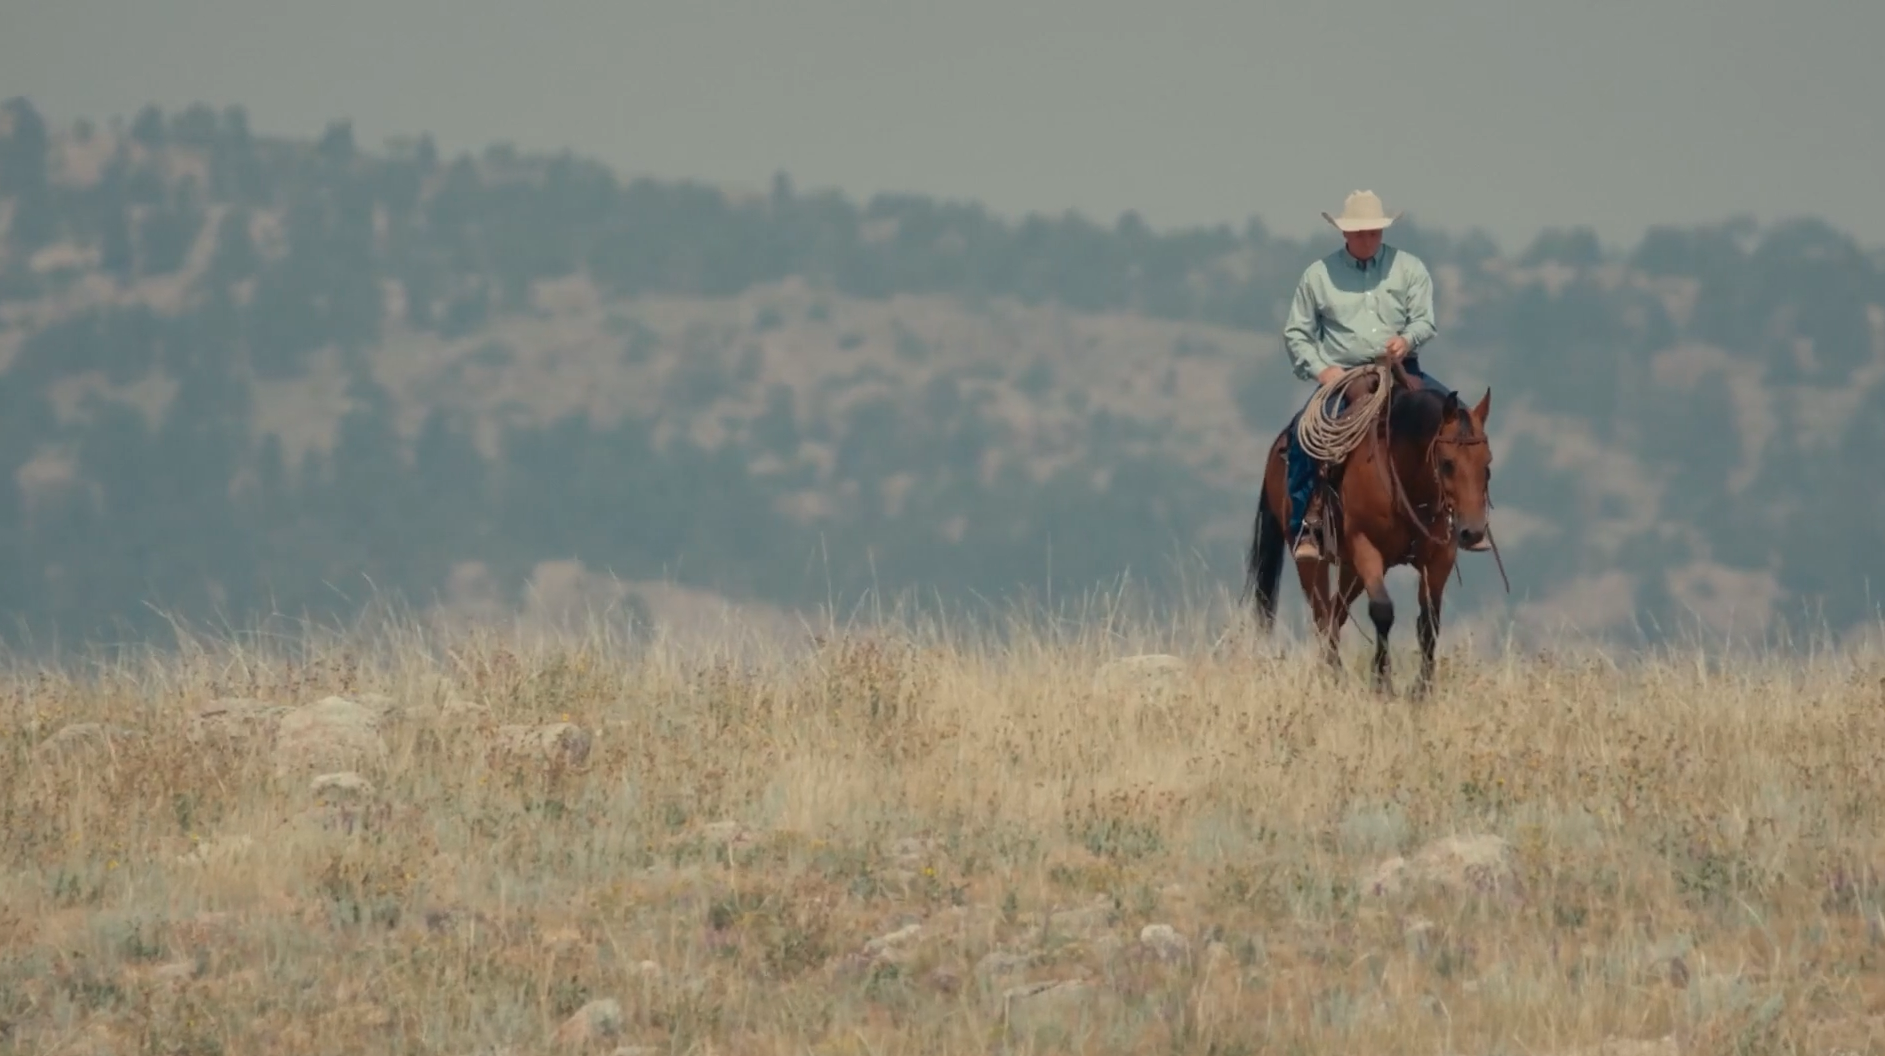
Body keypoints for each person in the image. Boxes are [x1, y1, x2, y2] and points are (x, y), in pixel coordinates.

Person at [1281, 190, 1450, 560]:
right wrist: (1322, 370)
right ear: (1345, 233)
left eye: (1374, 232)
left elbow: (1425, 320)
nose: (1368, 239)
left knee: (1458, 423)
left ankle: (1458, 517)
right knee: (1303, 436)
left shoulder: (1408, 268)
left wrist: (1406, 340)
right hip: (1343, 378)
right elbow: (1296, 333)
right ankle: (1307, 525)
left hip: (1402, 370)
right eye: (1360, 233)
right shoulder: (1318, 276)